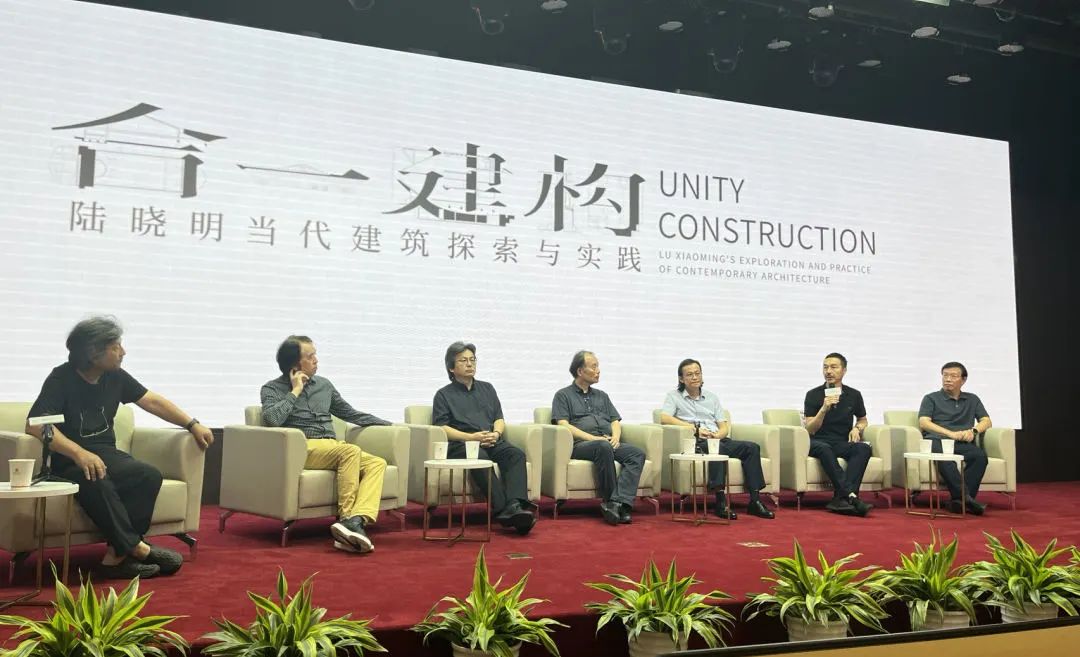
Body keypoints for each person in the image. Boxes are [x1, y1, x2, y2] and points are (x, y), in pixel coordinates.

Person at [27, 316, 213, 579]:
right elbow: (36, 425)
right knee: (96, 477)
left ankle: (117, 556)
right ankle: (137, 548)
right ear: (93, 352)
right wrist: (79, 452)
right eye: (116, 346)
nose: (123, 352)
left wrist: (191, 424)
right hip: (68, 460)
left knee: (147, 475)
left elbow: (151, 401)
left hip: (107, 454)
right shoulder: (61, 378)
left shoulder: (114, 376)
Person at [261, 335, 389, 553]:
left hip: (331, 447)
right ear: (295, 364)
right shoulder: (272, 389)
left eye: (315, 354)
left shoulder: (324, 385)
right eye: (310, 356)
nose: (316, 360)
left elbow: (350, 413)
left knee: (377, 463)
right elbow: (273, 420)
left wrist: (389, 424)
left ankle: (357, 520)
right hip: (303, 448)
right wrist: (295, 391)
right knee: (349, 452)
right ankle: (346, 519)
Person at [432, 342, 535, 535]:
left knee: (516, 455)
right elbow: (442, 427)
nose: (469, 364)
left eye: (472, 360)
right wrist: (471, 437)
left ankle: (515, 505)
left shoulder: (487, 388)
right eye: (463, 360)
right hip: (462, 444)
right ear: (451, 368)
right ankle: (503, 510)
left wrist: (496, 433)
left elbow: (499, 418)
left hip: (490, 439)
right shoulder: (443, 395)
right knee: (480, 457)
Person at [660, 358, 774, 520]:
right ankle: (720, 502)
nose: (695, 377)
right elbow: (664, 418)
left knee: (751, 447)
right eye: (690, 374)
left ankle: (755, 501)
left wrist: (718, 435)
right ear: (681, 379)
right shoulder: (674, 396)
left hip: (716, 439)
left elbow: (723, 427)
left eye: (697, 373)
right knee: (717, 450)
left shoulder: (712, 397)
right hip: (697, 442)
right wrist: (694, 429)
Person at [551, 351, 644, 525]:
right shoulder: (563, 395)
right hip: (581, 445)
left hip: (606, 441)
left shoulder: (602, 395)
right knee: (603, 447)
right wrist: (592, 438)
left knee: (636, 454)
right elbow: (563, 424)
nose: (598, 370)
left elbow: (614, 420)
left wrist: (616, 437)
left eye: (598, 366)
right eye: (594, 367)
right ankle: (610, 501)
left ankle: (619, 503)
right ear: (580, 371)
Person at [802, 352, 873, 516]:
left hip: (840, 442)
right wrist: (823, 409)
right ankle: (851, 497)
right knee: (824, 448)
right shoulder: (813, 394)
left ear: (844, 370)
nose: (828, 371)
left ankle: (841, 499)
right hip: (817, 441)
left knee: (863, 448)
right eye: (825, 367)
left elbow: (863, 420)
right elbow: (810, 429)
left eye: (834, 367)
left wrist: (857, 428)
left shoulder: (854, 395)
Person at [918, 361, 990, 515]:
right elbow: (924, 422)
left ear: (963, 380)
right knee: (945, 458)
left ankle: (959, 502)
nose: (948, 379)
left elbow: (986, 421)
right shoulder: (931, 398)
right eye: (945, 375)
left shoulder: (972, 399)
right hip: (936, 440)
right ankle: (965, 499)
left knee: (980, 457)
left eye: (953, 376)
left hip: (961, 441)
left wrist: (973, 431)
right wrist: (949, 433)